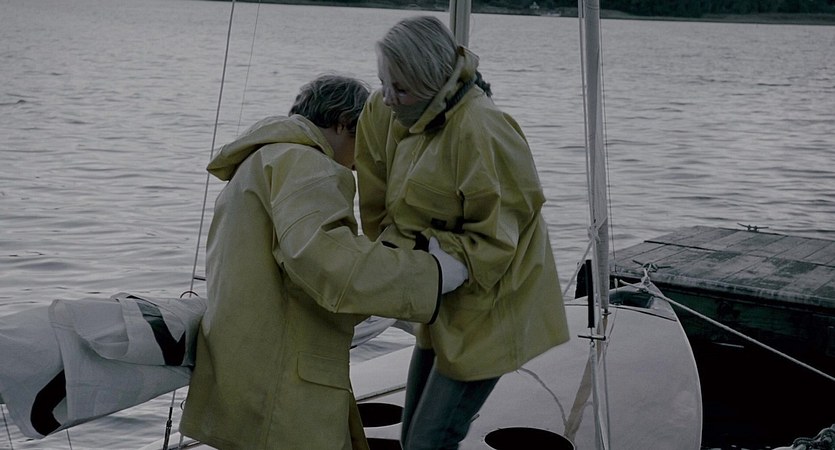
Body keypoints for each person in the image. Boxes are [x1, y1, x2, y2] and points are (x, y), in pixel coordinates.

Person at [179, 73, 468, 450]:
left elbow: (300, 279)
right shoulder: (305, 164)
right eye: (367, 138)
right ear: (344, 123)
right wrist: (433, 274)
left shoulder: (260, 162)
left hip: (247, 384)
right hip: (284, 395)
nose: (364, 160)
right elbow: (331, 268)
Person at [354, 16, 570, 449]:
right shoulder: (392, 112)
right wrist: (389, 266)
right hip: (442, 302)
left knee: (429, 441)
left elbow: (498, 238)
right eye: (383, 84)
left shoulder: (482, 129)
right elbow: (382, 205)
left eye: (401, 90)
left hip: (494, 303)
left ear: (433, 83)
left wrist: (430, 265)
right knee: (413, 438)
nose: (389, 99)